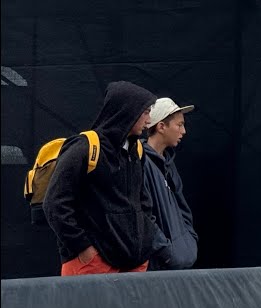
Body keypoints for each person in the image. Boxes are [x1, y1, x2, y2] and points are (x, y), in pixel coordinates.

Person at [44, 81, 159, 276]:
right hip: (93, 264)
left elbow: (143, 201)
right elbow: (54, 203)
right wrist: (83, 247)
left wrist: (146, 238)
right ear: (128, 111)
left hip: (134, 263)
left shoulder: (137, 150)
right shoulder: (84, 148)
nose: (149, 121)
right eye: (145, 112)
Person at [141, 97, 199, 270]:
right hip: (153, 270)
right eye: (179, 125)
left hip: (176, 265)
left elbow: (183, 210)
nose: (184, 131)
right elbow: (144, 218)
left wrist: (189, 243)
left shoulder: (169, 165)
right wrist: (168, 253)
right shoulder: (140, 163)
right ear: (161, 126)